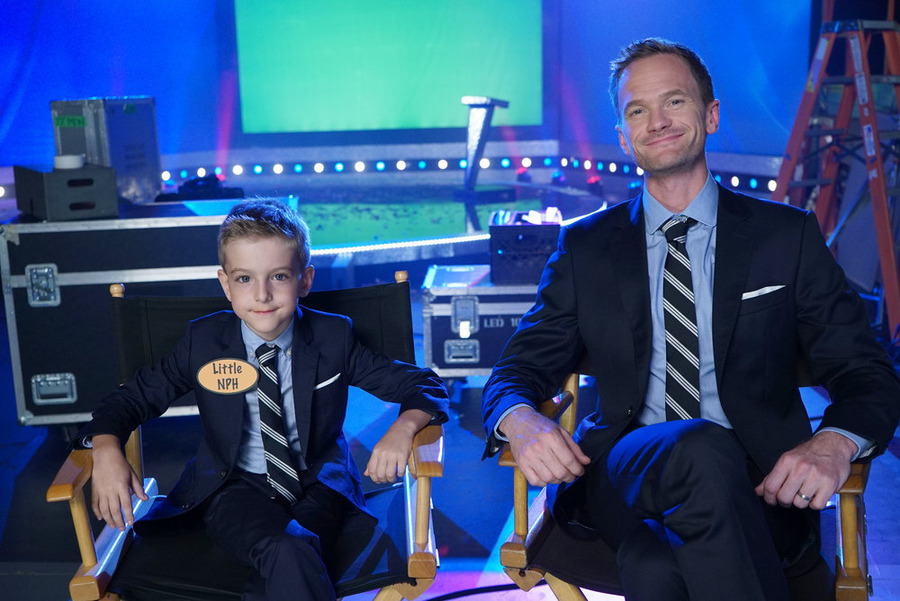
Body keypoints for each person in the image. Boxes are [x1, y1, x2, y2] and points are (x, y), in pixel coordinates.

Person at [482, 38, 900, 600]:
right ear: (624, 137)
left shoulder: (787, 237)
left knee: (657, 570)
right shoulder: (585, 247)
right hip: (623, 470)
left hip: (761, 479)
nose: (657, 121)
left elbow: (867, 372)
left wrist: (833, 444)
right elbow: (516, 372)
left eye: (674, 101)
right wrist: (522, 420)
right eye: (637, 110)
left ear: (711, 114)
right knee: (699, 445)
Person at [78, 199, 449, 600]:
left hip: (317, 484)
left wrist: (404, 426)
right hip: (233, 487)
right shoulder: (203, 343)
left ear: (304, 280)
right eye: (243, 279)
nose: (262, 295)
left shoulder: (333, 338)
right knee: (285, 548)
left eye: (278, 276)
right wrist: (106, 447)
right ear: (224, 283)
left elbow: (425, 385)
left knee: (282, 559)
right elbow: (129, 400)